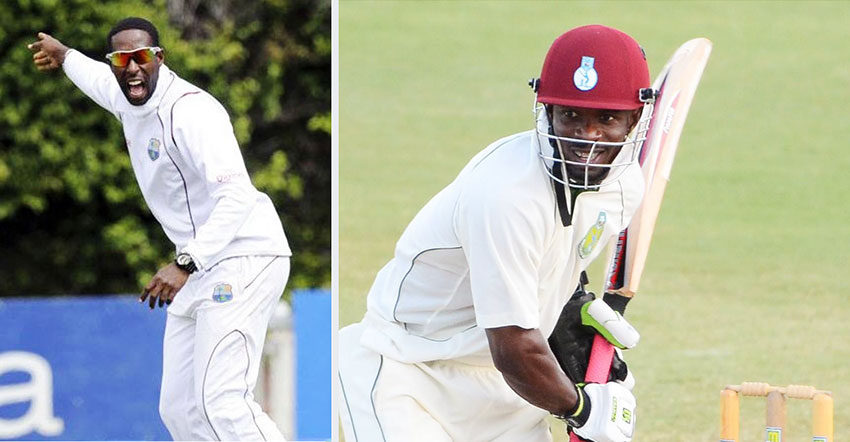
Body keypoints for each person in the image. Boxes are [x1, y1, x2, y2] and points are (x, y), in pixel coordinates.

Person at [339, 24, 654, 442]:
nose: (586, 136)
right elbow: (515, 346)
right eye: (571, 115)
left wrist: (570, 312)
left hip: (503, 393)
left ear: (634, 119)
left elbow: (555, 262)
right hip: (408, 370)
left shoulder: (624, 186)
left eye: (607, 118)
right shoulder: (507, 195)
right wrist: (583, 410)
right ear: (546, 110)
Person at [28, 17, 291, 441]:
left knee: (221, 402)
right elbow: (95, 76)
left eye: (142, 57)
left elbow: (237, 196)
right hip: (199, 265)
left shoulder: (192, 111)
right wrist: (64, 56)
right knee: (180, 410)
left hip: (245, 256)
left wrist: (185, 262)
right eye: (122, 59)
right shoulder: (122, 94)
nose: (133, 67)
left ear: (160, 58)